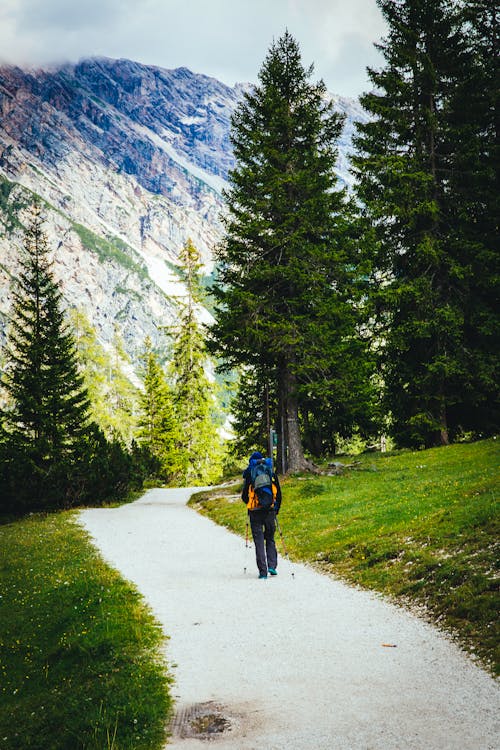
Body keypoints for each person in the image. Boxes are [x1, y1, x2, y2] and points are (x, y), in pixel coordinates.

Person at [242, 451, 282, 579]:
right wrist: (276, 508)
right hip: (269, 511)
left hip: (255, 512)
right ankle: (272, 566)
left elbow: (244, 496)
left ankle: (263, 572)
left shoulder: (250, 473)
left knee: (259, 541)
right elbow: (279, 493)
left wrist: (249, 503)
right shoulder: (270, 471)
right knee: (270, 538)